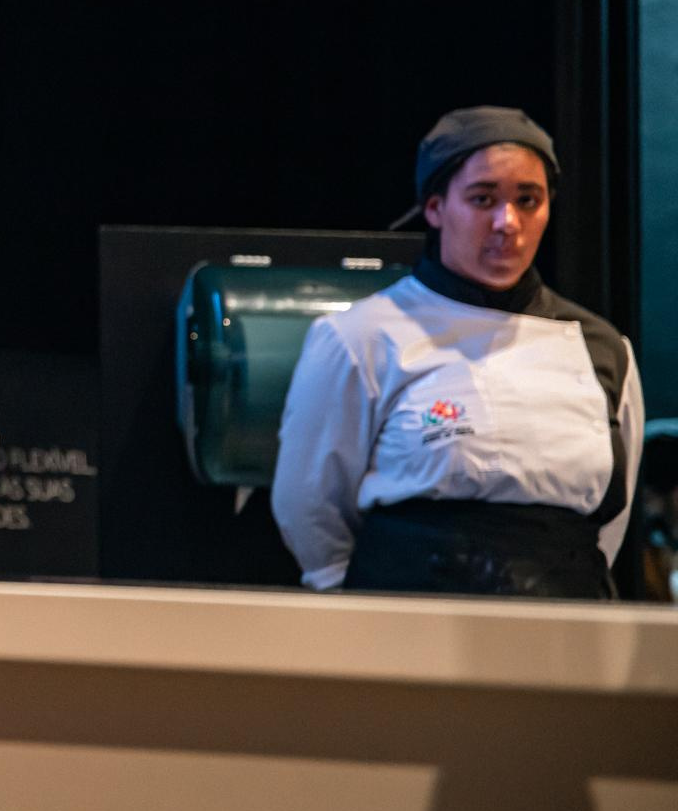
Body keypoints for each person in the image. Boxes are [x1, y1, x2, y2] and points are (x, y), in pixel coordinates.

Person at [273, 106, 645, 598]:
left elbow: (610, 521)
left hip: (567, 625)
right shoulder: (361, 336)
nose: (506, 222)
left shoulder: (603, 348)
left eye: (527, 200)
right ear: (435, 208)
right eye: (483, 198)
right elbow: (309, 504)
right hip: (405, 619)